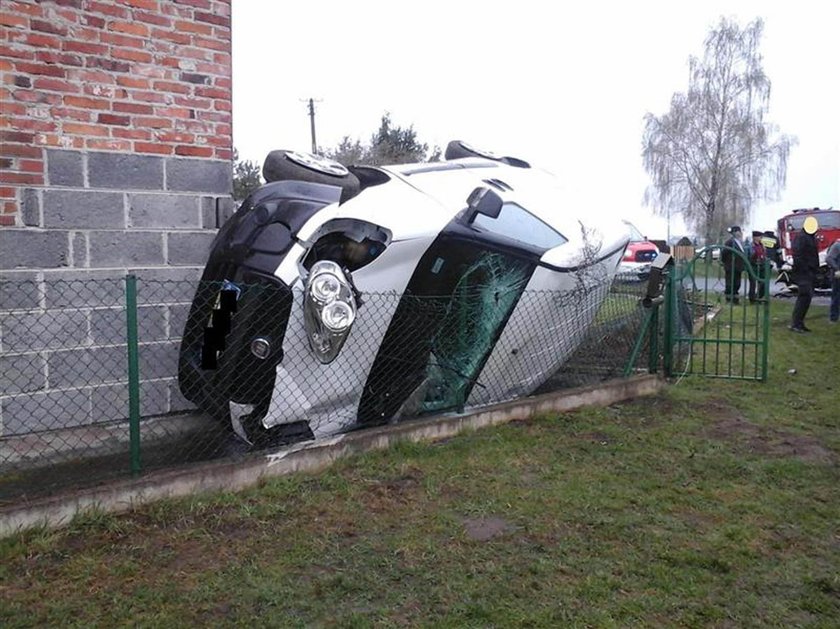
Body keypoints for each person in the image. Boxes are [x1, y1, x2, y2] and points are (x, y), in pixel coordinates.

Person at [789, 216, 820, 332]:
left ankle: (799, 323)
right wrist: (806, 269)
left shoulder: (809, 237)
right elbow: (798, 256)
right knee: (804, 297)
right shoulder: (802, 238)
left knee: (806, 298)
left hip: (809, 272)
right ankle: (795, 324)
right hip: (803, 273)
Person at [721, 225, 746, 304]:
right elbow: (724, 253)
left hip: (738, 267)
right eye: (736, 232)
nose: (739, 234)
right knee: (730, 284)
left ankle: (735, 299)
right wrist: (726, 262)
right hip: (731, 266)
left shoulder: (740, 242)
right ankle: (729, 299)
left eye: (739, 232)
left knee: (737, 284)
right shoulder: (730, 242)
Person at [745, 230, 767, 303]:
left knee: (763, 282)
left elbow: (764, 255)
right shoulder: (750, 246)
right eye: (760, 236)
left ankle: (759, 297)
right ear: (755, 237)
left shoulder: (762, 246)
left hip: (761, 266)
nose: (761, 238)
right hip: (753, 266)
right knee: (753, 283)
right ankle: (752, 299)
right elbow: (747, 257)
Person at [827, 236, 840, 323]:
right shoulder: (837, 246)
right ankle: (833, 317)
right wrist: (837, 269)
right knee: (836, 297)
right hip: (838, 276)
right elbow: (829, 258)